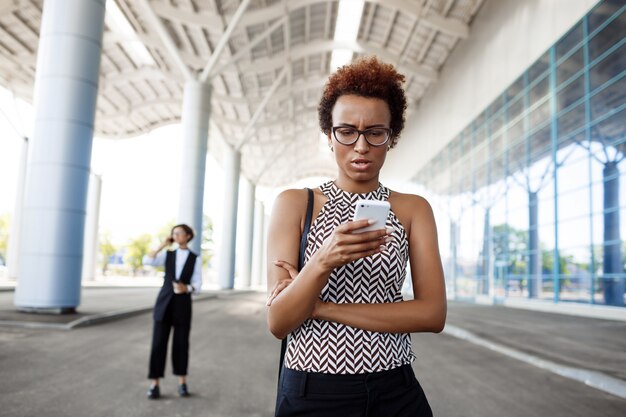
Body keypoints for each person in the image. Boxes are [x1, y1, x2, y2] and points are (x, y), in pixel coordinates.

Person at [265, 56, 447, 416]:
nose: (361, 146)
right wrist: (323, 260)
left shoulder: (412, 209)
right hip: (312, 390)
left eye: (375, 132)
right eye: (346, 131)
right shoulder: (295, 204)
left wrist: (319, 308)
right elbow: (279, 321)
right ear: (329, 136)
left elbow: (431, 314)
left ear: (390, 138)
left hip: (395, 388)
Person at [142, 224, 202, 399]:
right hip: (164, 304)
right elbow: (147, 261)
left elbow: (198, 285)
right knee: (158, 344)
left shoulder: (195, 258)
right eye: (173, 233)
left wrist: (187, 288)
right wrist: (162, 244)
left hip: (183, 306)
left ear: (188, 236)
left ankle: (182, 382)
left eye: (178, 233)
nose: (175, 236)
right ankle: (155, 384)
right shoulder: (167, 254)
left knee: (181, 344)